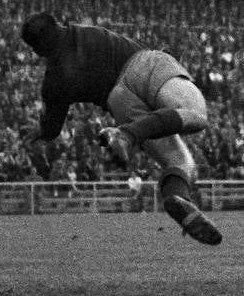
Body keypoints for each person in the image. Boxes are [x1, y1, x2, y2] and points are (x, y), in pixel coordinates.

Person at [20, 12, 222, 245]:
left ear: (37, 51)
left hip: (118, 100)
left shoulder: (55, 82)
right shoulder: (80, 32)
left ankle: (177, 197)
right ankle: (127, 135)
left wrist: (40, 129)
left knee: (177, 163)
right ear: (58, 25)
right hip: (142, 65)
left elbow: (52, 129)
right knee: (196, 113)